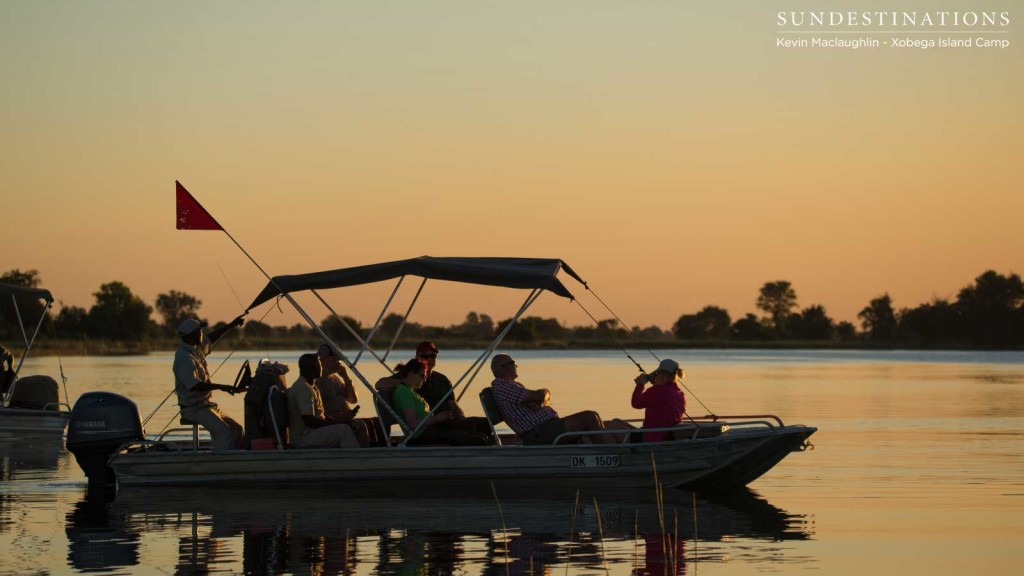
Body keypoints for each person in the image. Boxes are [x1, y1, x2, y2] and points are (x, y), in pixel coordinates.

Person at [489, 353, 613, 445]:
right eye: (514, 363)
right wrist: (542, 394)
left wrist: (540, 399)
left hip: (546, 427)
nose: (516, 366)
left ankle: (605, 450)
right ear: (505, 367)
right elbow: (539, 396)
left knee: (595, 417)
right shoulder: (503, 386)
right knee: (589, 417)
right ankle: (606, 455)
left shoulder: (511, 386)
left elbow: (538, 399)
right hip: (540, 432)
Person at [173, 317, 246, 451]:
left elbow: (211, 338)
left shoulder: (195, 349)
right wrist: (222, 387)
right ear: (192, 335)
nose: (202, 334)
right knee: (224, 432)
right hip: (193, 409)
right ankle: (222, 463)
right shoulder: (184, 357)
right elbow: (194, 385)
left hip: (206, 406)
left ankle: (237, 459)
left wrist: (231, 324)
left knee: (236, 429)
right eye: (200, 331)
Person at [392, 358, 491, 446]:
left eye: (425, 376)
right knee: (477, 439)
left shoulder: (410, 391)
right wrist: (437, 418)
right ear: (411, 373)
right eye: (422, 375)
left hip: (432, 428)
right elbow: (412, 425)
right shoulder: (403, 392)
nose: (424, 379)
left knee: (480, 424)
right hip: (422, 435)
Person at [414, 341, 492, 439]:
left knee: (484, 424)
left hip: (448, 422)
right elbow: (394, 382)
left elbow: (453, 405)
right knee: (470, 435)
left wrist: (461, 418)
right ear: (417, 357)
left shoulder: (442, 379)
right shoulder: (410, 378)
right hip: (429, 425)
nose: (429, 359)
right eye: (425, 356)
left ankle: (489, 450)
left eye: (433, 356)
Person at [287, 353, 360, 449]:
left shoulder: (313, 387)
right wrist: (336, 425)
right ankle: (354, 460)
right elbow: (309, 420)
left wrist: (340, 422)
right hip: (303, 436)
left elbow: (322, 416)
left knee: (345, 427)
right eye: (320, 365)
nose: (321, 367)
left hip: (311, 433)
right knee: (344, 431)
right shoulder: (303, 388)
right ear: (314, 368)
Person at [631, 359, 687, 442]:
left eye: (656, 374)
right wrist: (656, 383)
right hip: (667, 436)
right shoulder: (679, 393)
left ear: (663, 375)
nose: (655, 377)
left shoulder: (656, 391)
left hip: (652, 437)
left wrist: (640, 385)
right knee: (617, 421)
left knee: (611, 425)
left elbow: (636, 403)